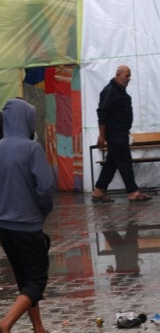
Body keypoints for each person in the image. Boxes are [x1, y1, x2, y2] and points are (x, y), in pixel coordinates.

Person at [0, 98, 54, 333]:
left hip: (4, 227)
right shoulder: (32, 148)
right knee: (36, 281)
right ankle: (6, 323)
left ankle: (38, 327)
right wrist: (43, 210)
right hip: (28, 224)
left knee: (25, 279)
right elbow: (46, 186)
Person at [92, 65, 152, 203]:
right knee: (125, 161)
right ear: (118, 75)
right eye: (127, 76)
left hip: (121, 132)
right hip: (115, 133)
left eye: (130, 76)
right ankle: (132, 192)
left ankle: (98, 191)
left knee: (112, 163)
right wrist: (101, 135)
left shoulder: (120, 91)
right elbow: (102, 112)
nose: (129, 79)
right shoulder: (110, 91)